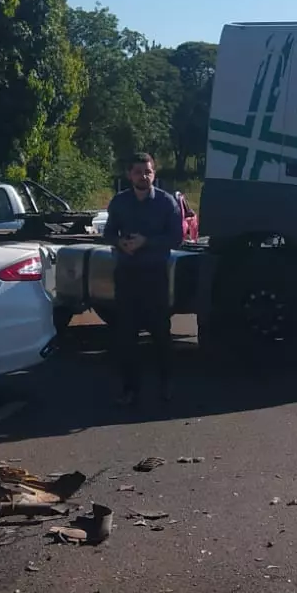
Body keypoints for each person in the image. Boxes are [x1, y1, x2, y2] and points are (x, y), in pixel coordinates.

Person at [102, 152, 184, 405]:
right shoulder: (119, 202)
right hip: (126, 275)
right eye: (138, 172)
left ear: (154, 174)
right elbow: (107, 233)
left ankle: (166, 384)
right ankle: (130, 389)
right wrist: (119, 242)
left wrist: (146, 241)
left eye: (148, 172)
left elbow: (176, 238)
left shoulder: (166, 203)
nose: (143, 176)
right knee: (126, 337)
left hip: (154, 276)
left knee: (161, 334)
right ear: (129, 175)